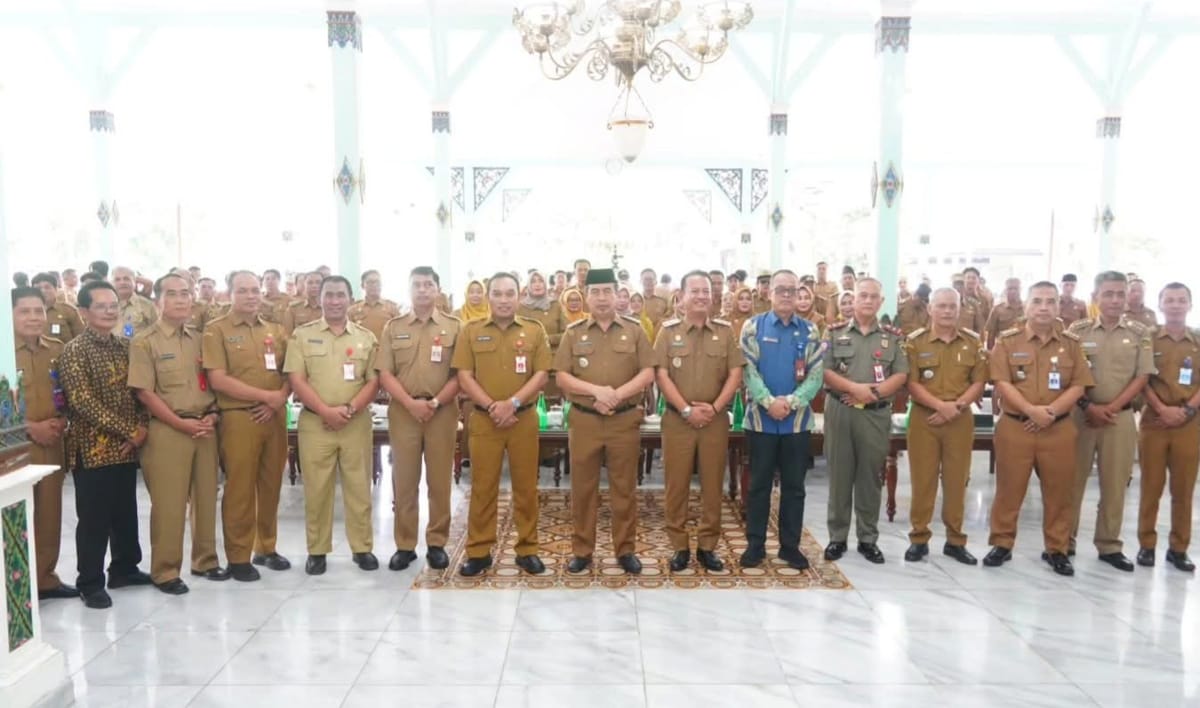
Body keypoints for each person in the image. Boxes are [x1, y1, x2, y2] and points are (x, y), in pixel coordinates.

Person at [128, 273, 228, 594]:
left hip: (204, 426)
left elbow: (211, 382)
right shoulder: (145, 341)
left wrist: (212, 414)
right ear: (158, 300)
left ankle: (206, 560)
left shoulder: (201, 337)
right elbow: (145, 393)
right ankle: (165, 570)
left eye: (186, 293)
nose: (181, 299)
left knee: (205, 497)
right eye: (172, 294)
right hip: (169, 430)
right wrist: (179, 422)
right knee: (169, 504)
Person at [985, 281, 1093, 576]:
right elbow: (1001, 382)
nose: (1044, 307)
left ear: (1059, 306)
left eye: (1050, 301)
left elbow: (1080, 384)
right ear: (1027, 306)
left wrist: (1051, 412)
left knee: (1059, 493)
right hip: (1015, 427)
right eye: (1037, 301)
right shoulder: (1008, 341)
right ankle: (1002, 544)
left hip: (1057, 429)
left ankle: (1056, 549)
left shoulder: (1071, 343)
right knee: (1009, 490)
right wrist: (1031, 410)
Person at [554, 268, 654, 574]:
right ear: (586, 296)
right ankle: (582, 550)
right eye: (595, 292)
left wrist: (617, 395)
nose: (601, 298)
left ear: (617, 294)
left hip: (623, 421)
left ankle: (625, 550)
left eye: (607, 291)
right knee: (583, 489)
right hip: (585, 422)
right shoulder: (574, 333)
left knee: (624, 489)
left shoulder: (635, 331)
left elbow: (648, 372)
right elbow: (561, 376)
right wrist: (595, 391)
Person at [59, 280, 152, 609]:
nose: (110, 311)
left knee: (125, 511)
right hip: (92, 449)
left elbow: (140, 391)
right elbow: (82, 401)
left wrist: (140, 428)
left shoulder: (124, 346)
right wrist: (130, 430)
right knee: (94, 519)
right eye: (101, 306)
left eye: (113, 305)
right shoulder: (74, 351)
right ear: (83, 312)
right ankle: (90, 581)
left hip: (127, 448)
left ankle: (125, 568)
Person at [452, 273, 552, 576]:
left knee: (526, 487)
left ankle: (527, 549)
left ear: (519, 296)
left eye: (510, 293)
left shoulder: (535, 330)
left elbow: (542, 374)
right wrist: (493, 405)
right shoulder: (471, 331)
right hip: (484, 420)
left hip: (523, 419)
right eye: (498, 293)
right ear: (488, 296)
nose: (504, 299)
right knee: (483, 488)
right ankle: (479, 551)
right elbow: (464, 375)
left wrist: (513, 404)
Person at [283, 276, 380, 575]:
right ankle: (317, 551)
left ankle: (362, 548)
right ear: (320, 298)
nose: (335, 301)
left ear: (351, 299)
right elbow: (296, 379)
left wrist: (349, 409)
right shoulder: (302, 335)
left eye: (341, 295)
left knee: (359, 488)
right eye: (329, 295)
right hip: (316, 423)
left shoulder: (366, 337)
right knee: (317, 489)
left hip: (356, 422)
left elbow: (374, 381)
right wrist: (325, 410)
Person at [203, 271, 292, 581]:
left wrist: (278, 399)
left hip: (274, 416)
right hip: (239, 417)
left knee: (271, 485)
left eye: (255, 290)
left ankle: (266, 547)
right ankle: (238, 556)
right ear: (230, 293)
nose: (252, 296)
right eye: (243, 291)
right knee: (240, 488)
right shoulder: (217, 331)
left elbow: (288, 372)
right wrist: (266, 397)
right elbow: (218, 379)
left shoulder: (275, 330)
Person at [654, 270, 744, 572]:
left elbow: (735, 373)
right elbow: (661, 374)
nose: (703, 296)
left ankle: (707, 546)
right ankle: (679, 546)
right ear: (681, 297)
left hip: (715, 421)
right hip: (678, 421)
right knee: (676, 484)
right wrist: (685, 410)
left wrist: (716, 408)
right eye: (696, 291)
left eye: (706, 291)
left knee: (712, 483)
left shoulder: (725, 331)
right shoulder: (667, 332)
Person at [375, 266, 461, 572]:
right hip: (404, 411)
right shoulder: (393, 327)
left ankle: (437, 543)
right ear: (409, 290)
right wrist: (410, 403)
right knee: (404, 481)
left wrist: (435, 402)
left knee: (439, 481)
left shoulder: (454, 327)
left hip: (442, 411)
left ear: (437, 290)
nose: (423, 290)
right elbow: (385, 373)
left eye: (428, 285)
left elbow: (460, 375)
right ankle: (405, 544)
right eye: (417, 285)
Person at [1066, 271, 1152, 572]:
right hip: (1081, 416)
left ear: (1128, 296)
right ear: (1096, 297)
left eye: (1120, 294)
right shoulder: (1078, 331)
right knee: (1071, 481)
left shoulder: (1140, 332)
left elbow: (1142, 376)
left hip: (1120, 417)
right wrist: (1089, 406)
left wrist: (1111, 407)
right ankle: (1064, 541)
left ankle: (1109, 544)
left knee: (1115, 483)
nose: (1115, 300)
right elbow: (1070, 374)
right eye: (1108, 294)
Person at [739, 270, 823, 570]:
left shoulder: (811, 331)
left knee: (794, 487)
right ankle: (755, 545)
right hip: (760, 422)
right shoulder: (752, 327)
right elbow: (747, 371)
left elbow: (816, 376)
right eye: (781, 290)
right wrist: (767, 401)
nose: (787, 295)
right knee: (759, 485)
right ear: (769, 293)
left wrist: (790, 402)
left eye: (792, 290)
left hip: (797, 423)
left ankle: (790, 547)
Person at [821, 278, 908, 564]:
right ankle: (837, 537)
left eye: (874, 297)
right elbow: (824, 370)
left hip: (875, 413)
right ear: (853, 300)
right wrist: (854, 389)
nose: (868, 301)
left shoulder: (893, 337)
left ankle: (868, 539)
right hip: (841, 411)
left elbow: (900, 374)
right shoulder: (833, 333)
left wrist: (873, 393)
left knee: (871, 477)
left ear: (881, 302)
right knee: (840, 475)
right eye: (863, 296)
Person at [902, 288, 988, 565]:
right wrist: (941, 407)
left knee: (956, 480)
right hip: (924, 419)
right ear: (930, 309)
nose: (948, 311)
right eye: (942, 306)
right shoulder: (915, 343)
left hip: (960, 418)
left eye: (953, 306)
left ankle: (955, 540)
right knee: (923, 480)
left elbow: (979, 382)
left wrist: (956, 407)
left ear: (960, 308)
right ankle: (919, 538)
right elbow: (911, 383)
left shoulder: (973, 343)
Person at [12, 288, 77, 601]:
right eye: (25, 311)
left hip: (52, 439)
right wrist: (29, 427)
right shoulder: (4, 353)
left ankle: (45, 579)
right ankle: (17, 582)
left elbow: (65, 392)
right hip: (13, 446)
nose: (34, 318)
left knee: (50, 513)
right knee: (18, 513)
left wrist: (62, 420)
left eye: (38, 311)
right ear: (9, 315)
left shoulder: (57, 349)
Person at [1137, 282, 1200, 572]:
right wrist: (1162, 408)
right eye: (1170, 300)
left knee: (1183, 488)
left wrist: (1187, 409)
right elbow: (1143, 378)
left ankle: (1178, 548)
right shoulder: (1148, 338)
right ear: (1160, 305)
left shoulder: (1198, 340)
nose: (1176, 305)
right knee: (1151, 485)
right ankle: (1146, 545)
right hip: (1155, 420)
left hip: (1190, 422)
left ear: (1189, 304)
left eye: (1181, 300)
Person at [517, 270, 567, 351]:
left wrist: (548, 339)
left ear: (545, 284)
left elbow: (567, 333)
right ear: (528, 286)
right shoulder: (520, 308)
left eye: (541, 281)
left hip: (552, 356)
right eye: (533, 282)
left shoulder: (555, 305)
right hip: (527, 355)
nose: (537, 284)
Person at [349, 269, 401, 342]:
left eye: (377, 282)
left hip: (385, 351)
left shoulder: (392, 308)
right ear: (362, 286)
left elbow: (399, 333)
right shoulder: (353, 310)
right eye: (370, 282)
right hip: (362, 351)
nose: (374, 285)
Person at [31, 272, 82, 343]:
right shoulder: (26, 313)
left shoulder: (68, 311)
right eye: (38, 288)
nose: (43, 291)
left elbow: (81, 338)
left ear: (56, 289)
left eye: (47, 287)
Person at [111, 266, 157, 338]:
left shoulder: (147, 305)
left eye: (126, 279)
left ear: (134, 282)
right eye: (117, 280)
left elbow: (157, 332)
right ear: (112, 283)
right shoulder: (105, 305)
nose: (122, 282)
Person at [984, 278, 1024, 349]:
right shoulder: (997, 309)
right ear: (1005, 290)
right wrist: (991, 354)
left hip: (1024, 349)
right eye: (1010, 289)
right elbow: (991, 335)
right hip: (1003, 349)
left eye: (1016, 288)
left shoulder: (1028, 309)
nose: (1013, 291)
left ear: (1020, 290)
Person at [283, 271, 324, 336]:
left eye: (318, 282)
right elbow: (288, 335)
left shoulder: (331, 308)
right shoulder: (293, 309)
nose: (314, 286)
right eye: (310, 283)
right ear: (304, 285)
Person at [639, 268, 671, 337]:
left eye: (651, 279)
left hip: (660, 338)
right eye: (645, 279)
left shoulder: (664, 301)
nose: (648, 282)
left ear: (656, 281)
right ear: (640, 281)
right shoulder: (635, 301)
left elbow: (669, 317)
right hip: (641, 338)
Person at [957, 267, 988, 334]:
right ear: (964, 280)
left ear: (978, 280)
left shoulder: (984, 299)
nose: (971, 280)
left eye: (974, 278)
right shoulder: (956, 297)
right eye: (968, 278)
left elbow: (987, 320)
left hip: (975, 338)